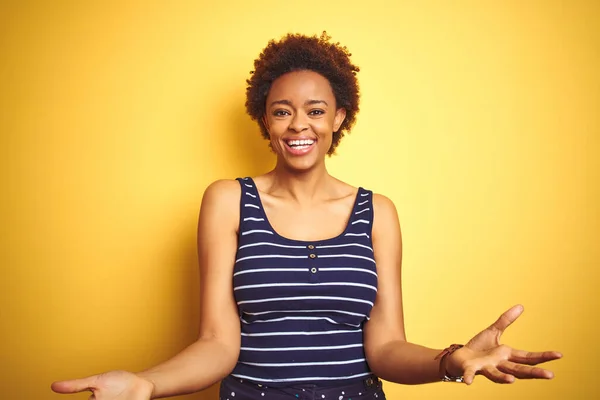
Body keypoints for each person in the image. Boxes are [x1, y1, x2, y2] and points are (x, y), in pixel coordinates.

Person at [51, 32, 562, 400]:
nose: (300, 124)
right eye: (282, 110)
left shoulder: (376, 212)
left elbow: (385, 349)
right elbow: (216, 344)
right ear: (265, 120)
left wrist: (451, 361)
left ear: (339, 117)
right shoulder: (228, 200)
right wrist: (146, 383)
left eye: (316, 110)